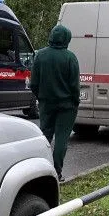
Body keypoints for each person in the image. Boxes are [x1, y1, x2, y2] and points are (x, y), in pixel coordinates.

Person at [31, 25, 80, 183]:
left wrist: (41, 97)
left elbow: (34, 83)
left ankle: (39, 172)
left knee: (44, 137)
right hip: (66, 106)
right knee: (61, 139)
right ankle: (56, 172)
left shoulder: (40, 55)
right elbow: (74, 85)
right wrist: (75, 101)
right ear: (67, 38)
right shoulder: (70, 57)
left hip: (46, 103)